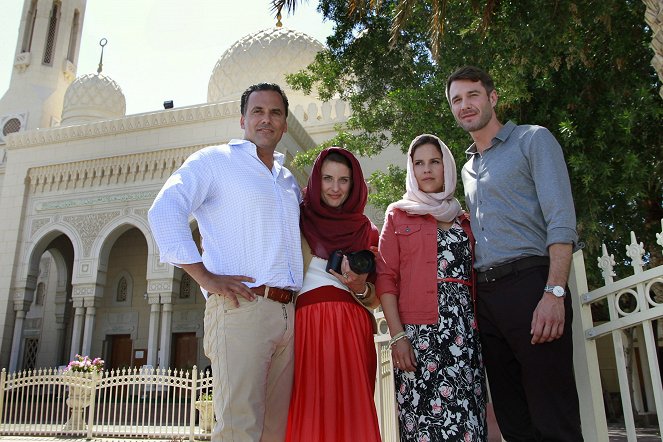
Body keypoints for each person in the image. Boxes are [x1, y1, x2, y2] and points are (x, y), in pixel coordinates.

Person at [148, 82, 302, 442]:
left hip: (287, 315)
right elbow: (164, 210)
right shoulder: (215, 162)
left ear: (284, 122)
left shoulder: (286, 180)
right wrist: (205, 277)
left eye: (275, 112)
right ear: (242, 119)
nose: (267, 119)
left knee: (274, 430)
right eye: (258, 112)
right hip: (241, 309)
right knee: (237, 428)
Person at [446, 65, 583, 441]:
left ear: (492, 97)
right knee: (513, 421)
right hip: (486, 299)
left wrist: (554, 292)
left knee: (553, 417)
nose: (465, 105)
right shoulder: (468, 168)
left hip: (531, 284)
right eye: (456, 100)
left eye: (472, 95)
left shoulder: (533, 140)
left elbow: (561, 221)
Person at [376, 134, 487, 441]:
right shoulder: (398, 215)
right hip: (419, 338)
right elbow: (386, 278)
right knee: (424, 425)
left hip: (465, 336)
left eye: (434, 162)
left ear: (446, 167)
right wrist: (398, 336)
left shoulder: (464, 219)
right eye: (419, 163)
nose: (427, 170)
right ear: (411, 169)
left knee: (468, 422)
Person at [286, 147, 382, 442]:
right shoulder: (296, 220)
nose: (335, 188)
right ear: (316, 180)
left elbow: (377, 295)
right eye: (328, 178)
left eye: (343, 180)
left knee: (352, 417)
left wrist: (360, 286)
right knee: (309, 413)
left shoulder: (366, 230)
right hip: (306, 330)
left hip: (353, 331)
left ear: (354, 184)